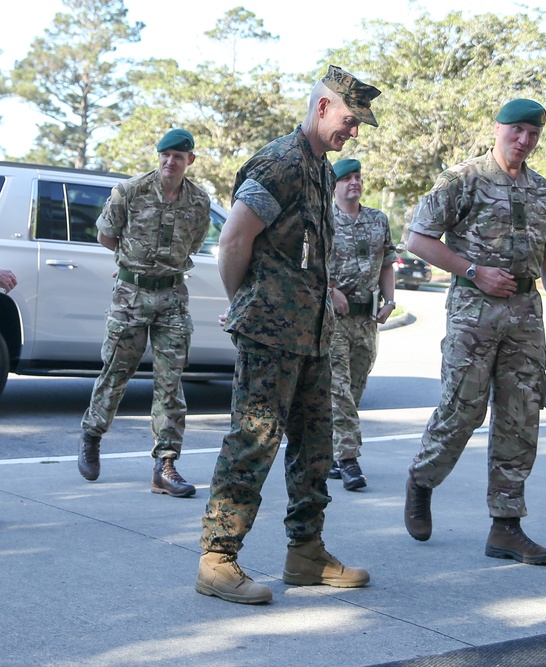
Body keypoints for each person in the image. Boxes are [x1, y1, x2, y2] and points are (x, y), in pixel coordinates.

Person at [196, 65, 381, 605]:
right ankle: (217, 558)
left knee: (315, 446)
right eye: (349, 120)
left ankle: (306, 553)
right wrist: (247, 308)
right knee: (253, 441)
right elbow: (233, 243)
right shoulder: (279, 163)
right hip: (271, 335)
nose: (353, 131)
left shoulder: (319, 167)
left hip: (313, 335)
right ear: (322, 107)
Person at [404, 98, 546, 565]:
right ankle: (422, 481)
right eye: (517, 130)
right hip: (473, 311)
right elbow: (417, 239)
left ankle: (506, 526)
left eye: (533, 133)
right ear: (498, 128)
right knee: (462, 410)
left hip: (526, 313)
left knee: (521, 417)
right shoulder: (463, 179)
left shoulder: (543, 190)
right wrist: (472, 270)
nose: (524, 140)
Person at [77, 129, 211, 498]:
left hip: (171, 297)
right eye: (166, 154)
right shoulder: (129, 191)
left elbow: (194, 243)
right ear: (159, 156)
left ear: (190, 161)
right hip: (131, 295)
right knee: (116, 370)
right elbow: (106, 236)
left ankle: (164, 466)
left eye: (179, 156)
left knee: (170, 383)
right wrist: (132, 263)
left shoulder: (199, 201)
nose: (171, 161)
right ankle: (91, 434)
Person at [327, 158, 397, 490]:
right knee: (338, 390)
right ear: (334, 186)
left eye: (357, 177)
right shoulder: (323, 220)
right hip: (334, 320)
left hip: (366, 320)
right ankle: (349, 460)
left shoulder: (377, 220)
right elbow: (307, 266)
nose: (354, 183)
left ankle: (329, 452)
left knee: (354, 390)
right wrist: (330, 291)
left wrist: (390, 300)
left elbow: (386, 263)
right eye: (346, 179)